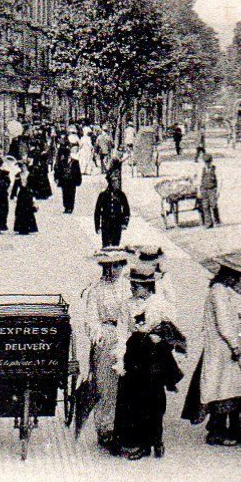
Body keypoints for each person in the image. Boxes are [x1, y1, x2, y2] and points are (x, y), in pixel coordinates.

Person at [112, 263, 183, 460]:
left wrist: (161, 337)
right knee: (133, 399)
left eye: (138, 285)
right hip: (134, 353)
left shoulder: (160, 303)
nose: (133, 288)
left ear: (149, 286)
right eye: (132, 284)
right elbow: (121, 332)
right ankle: (138, 443)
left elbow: (173, 329)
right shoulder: (127, 305)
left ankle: (156, 440)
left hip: (154, 355)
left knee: (154, 398)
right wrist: (119, 358)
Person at [182, 263, 241, 446]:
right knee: (223, 388)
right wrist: (235, 346)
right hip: (223, 350)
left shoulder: (221, 291)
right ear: (228, 276)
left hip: (223, 348)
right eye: (236, 278)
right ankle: (217, 431)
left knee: (228, 387)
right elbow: (224, 323)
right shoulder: (219, 292)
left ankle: (233, 429)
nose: (237, 282)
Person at [78, 250, 130, 451]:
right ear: (104, 267)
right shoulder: (96, 289)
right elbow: (91, 317)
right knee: (105, 385)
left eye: (118, 265)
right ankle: (105, 429)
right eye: (111, 265)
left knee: (126, 385)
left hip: (125, 335)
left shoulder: (128, 286)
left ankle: (124, 427)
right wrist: (97, 334)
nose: (114, 269)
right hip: (107, 336)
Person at [94, 171, 132, 248]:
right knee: (106, 246)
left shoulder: (121, 195)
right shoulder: (103, 195)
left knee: (116, 246)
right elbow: (97, 211)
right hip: (106, 225)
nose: (117, 183)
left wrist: (125, 223)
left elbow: (126, 210)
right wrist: (98, 226)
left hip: (117, 224)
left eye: (117, 181)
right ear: (110, 183)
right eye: (114, 181)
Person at [13, 162, 39, 236]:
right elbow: (15, 186)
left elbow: (34, 186)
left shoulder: (31, 175)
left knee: (28, 211)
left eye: (24, 166)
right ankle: (20, 228)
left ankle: (28, 228)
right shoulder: (18, 175)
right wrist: (14, 195)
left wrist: (34, 196)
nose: (23, 168)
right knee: (20, 211)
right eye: (22, 166)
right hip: (21, 194)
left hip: (28, 195)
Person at [57, 145, 83, 214]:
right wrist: (58, 179)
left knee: (72, 194)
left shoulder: (75, 162)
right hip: (64, 180)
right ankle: (66, 207)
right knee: (65, 194)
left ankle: (70, 207)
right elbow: (59, 171)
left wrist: (79, 180)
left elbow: (78, 172)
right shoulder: (62, 162)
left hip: (72, 181)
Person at [198, 151, 221, 228]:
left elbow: (220, 180)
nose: (207, 164)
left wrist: (218, 191)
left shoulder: (215, 169)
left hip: (212, 189)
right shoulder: (202, 169)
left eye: (208, 162)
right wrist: (199, 191)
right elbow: (199, 181)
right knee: (205, 206)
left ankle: (216, 219)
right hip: (204, 189)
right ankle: (209, 223)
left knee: (213, 205)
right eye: (206, 162)